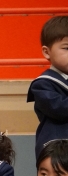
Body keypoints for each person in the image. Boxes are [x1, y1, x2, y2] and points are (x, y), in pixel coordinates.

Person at [27, 16, 68, 159]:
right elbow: (59, 108)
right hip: (57, 151)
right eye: (66, 48)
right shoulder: (43, 84)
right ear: (46, 52)